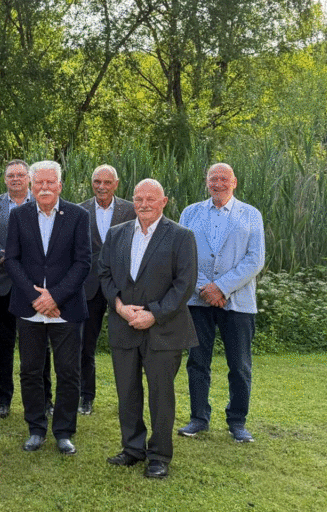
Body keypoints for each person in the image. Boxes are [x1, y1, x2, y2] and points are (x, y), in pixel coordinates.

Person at [98, 178, 197, 479]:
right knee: (127, 392)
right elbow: (103, 273)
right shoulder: (116, 234)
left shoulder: (181, 236)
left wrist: (154, 314)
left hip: (163, 329)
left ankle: (159, 455)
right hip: (124, 324)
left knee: (160, 394)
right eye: (139, 198)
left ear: (164, 201)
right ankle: (132, 449)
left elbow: (184, 284)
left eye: (151, 199)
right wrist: (118, 306)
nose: (144, 204)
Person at [3, 161, 91, 454]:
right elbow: (12, 260)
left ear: (60, 186)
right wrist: (34, 297)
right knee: (30, 370)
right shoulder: (19, 216)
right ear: (31, 185)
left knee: (68, 372)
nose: (44, 188)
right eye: (38, 182)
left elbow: (83, 262)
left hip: (65, 309)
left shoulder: (78, 216)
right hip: (29, 308)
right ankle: (36, 428)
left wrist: (55, 297)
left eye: (50, 182)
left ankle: (64, 432)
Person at [178, 163, 265, 443]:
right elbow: (183, 255)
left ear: (234, 182)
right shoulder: (190, 213)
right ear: (206, 182)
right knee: (197, 362)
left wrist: (222, 288)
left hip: (238, 302)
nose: (218, 183)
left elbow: (255, 259)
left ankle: (237, 421)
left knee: (239, 365)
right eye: (213, 179)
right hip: (198, 300)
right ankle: (199, 418)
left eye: (224, 179)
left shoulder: (251, 215)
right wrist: (205, 288)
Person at [0, 159, 51, 418]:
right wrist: (8, 258)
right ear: (5, 179)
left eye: (20, 175)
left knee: (39, 344)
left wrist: (25, 264)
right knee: (3, 343)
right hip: (3, 283)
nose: (15, 179)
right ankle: (3, 399)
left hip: (33, 286)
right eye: (10, 175)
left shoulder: (41, 204)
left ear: (28, 179)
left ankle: (45, 400)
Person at [78, 164, 135, 416]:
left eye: (107, 182)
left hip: (121, 287)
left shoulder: (132, 210)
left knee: (125, 344)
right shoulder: (79, 211)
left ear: (116, 183)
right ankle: (85, 397)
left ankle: (129, 399)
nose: (101, 186)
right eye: (97, 181)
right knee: (84, 345)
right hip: (88, 287)